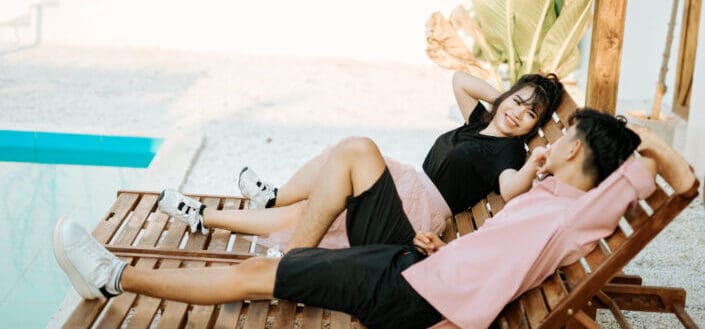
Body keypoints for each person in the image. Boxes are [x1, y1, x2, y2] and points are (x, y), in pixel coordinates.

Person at [54, 108, 665, 328]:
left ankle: (113, 277)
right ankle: (289, 243)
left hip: (409, 298)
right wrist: (440, 249)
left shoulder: (567, 219)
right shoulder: (557, 199)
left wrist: (648, 157)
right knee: (352, 156)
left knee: (255, 280)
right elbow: (489, 258)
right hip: (421, 265)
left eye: (565, 138)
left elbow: (655, 177)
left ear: (578, 151)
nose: (552, 146)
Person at [158, 72, 564, 250]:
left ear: (532, 128)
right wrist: (504, 102)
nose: (517, 113)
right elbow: (459, 78)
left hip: (416, 214)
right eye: (518, 100)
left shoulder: (509, 151)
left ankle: (255, 205)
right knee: (317, 194)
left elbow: (511, 187)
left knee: (346, 159)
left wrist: (533, 161)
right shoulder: (480, 122)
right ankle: (218, 212)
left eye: (530, 114)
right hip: (406, 188)